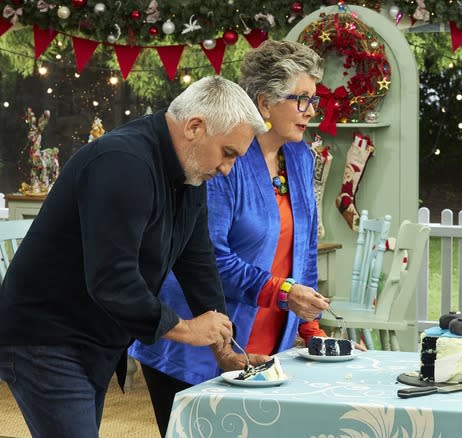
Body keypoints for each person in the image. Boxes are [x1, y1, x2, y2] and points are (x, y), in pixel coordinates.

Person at [0, 76, 266, 438]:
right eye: (228, 153)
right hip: (45, 335)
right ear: (195, 127)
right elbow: (112, 279)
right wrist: (186, 329)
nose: (226, 169)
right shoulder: (122, 162)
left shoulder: (190, 173)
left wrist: (224, 349)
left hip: (91, 336)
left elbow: (197, 260)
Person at [129, 40, 335, 436]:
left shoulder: (301, 156)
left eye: (314, 100)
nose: (311, 111)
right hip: (198, 340)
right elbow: (210, 258)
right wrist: (282, 290)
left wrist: (309, 327)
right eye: (302, 99)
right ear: (264, 102)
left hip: (271, 345)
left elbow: (304, 251)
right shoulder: (221, 159)